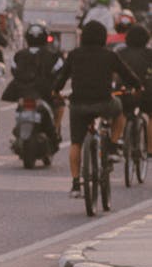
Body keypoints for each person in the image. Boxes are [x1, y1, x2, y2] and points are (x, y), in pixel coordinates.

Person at [52, 21, 143, 198]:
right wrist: (138, 87)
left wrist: (56, 92)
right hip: (104, 103)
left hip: (78, 105)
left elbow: (61, 77)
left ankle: (76, 184)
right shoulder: (110, 55)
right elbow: (127, 74)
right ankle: (114, 145)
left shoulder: (74, 55)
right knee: (120, 112)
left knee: (76, 143)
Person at [3, 22, 66, 145]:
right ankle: (55, 133)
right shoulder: (53, 56)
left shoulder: (19, 55)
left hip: (21, 92)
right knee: (60, 105)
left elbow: (14, 70)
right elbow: (60, 72)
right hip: (45, 93)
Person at [116, 24, 152, 157]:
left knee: (123, 112)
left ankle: (120, 139)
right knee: (150, 116)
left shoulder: (120, 53)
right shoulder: (150, 54)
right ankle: (149, 149)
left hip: (125, 92)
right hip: (146, 93)